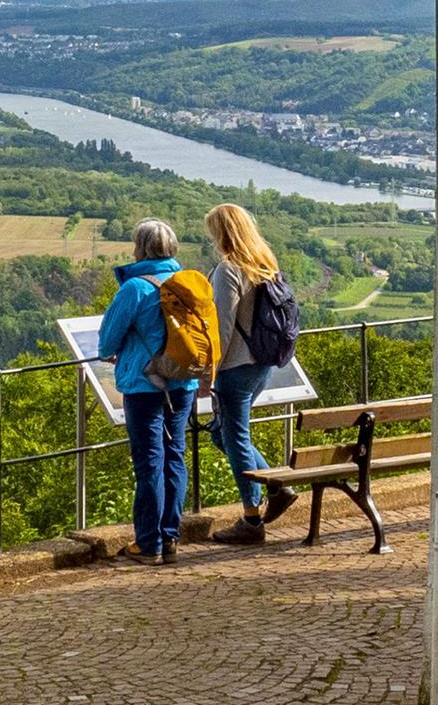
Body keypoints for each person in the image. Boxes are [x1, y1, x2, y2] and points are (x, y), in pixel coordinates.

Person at [95, 218, 202, 561]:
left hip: (143, 385)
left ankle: (148, 543)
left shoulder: (135, 288)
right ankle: (170, 538)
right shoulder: (186, 282)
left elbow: (107, 340)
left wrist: (118, 350)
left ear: (138, 248)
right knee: (175, 457)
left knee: (150, 461)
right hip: (182, 381)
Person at [200, 202, 297, 546]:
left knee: (235, 437)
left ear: (223, 233)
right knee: (221, 434)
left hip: (235, 368)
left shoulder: (229, 270)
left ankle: (251, 519)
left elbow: (221, 328)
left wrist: (208, 373)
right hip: (261, 365)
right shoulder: (264, 264)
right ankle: (278, 486)